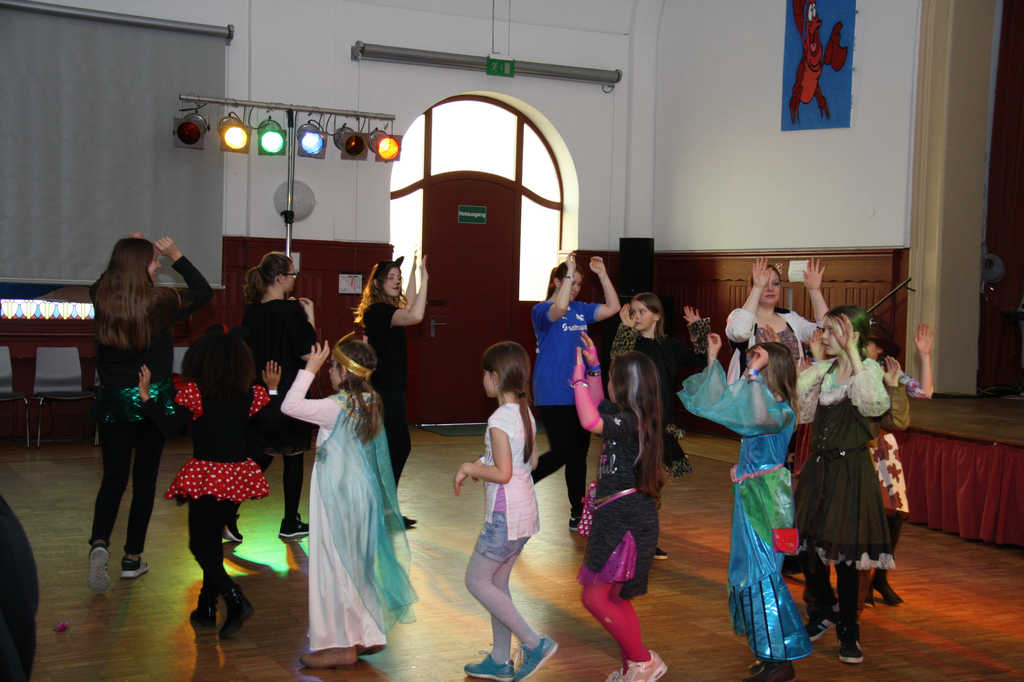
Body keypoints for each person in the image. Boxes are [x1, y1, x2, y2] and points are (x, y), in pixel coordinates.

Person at [679, 338, 812, 682]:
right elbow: (717, 403)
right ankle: (768, 652)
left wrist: (753, 374)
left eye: (757, 363)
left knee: (762, 574)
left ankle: (780, 659)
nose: (750, 368)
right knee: (748, 572)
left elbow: (758, 416)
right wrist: (713, 358)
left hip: (767, 499)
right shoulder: (762, 401)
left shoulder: (781, 411)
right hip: (752, 493)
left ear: (771, 371)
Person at [281, 338, 416, 669]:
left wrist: (308, 370)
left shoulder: (334, 406)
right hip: (362, 495)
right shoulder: (371, 400)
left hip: (337, 497)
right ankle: (366, 633)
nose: (328, 371)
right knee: (359, 565)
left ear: (344, 372)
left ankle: (339, 644)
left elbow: (290, 406)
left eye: (332, 367)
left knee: (334, 566)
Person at [88, 234, 212, 592]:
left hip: (113, 401)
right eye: (154, 261)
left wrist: (126, 250)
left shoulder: (103, 298)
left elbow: (103, 281)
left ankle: (100, 542)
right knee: (144, 481)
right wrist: (177, 254)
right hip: (151, 401)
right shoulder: (161, 302)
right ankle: (132, 558)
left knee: (113, 479)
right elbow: (203, 291)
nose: (158, 265)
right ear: (141, 266)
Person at [148, 326, 277, 638]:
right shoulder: (250, 395)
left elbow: (169, 425)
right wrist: (272, 390)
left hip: (208, 477)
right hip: (237, 477)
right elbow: (270, 423)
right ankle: (206, 607)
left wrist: (146, 398)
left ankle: (234, 600)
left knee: (199, 544)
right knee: (211, 543)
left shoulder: (197, 393)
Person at [794, 306, 892, 665]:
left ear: (854, 335)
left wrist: (854, 354)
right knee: (805, 547)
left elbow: (874, 405)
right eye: (824, 330)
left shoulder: (869, 372)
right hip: (819, 469)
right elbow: (803, 413)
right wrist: (808, 371)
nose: (825, 337)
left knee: (847, 556)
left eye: (833, 331)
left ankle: (849, 629)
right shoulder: (824, 371)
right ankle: (822, 610)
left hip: (851, 471)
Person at [455, 342, 558, 682]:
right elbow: (531, 461)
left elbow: (503, 472)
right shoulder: (524, 412)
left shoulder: (499, 419)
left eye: (484, 373)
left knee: (476, 581)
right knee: (497, 585)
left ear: (495, 377)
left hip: (505, 516)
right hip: (524, 513)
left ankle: (534, 642)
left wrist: (470, 467)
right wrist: (485, 461)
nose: (481, 380)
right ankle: (500, 660)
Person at [573, 335, 668, 682]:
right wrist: (594, 368)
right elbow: (599, 405)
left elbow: (589, 420)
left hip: (626, 520)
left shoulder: (634, 423)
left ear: (628, 386)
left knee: (596, 597)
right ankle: (635, 665)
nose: (609, 383)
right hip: (618, 516)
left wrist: (578, 380)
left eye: (613, 378)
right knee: (612, 596)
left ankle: (643, 660)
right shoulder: (626, 416)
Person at [612, 295, 708, 559]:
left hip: (661, 424)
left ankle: (645, 539)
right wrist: (625, 330)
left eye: (642, 311)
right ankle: (626, 537)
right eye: (633, 312)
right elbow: (617, 360)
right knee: (632, 482)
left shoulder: (669, 345)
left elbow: (700, 360)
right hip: (634, 423)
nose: (637, 316)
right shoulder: (632, 343)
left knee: (653, 485)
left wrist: (698, 329)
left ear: (656, 315)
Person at [531, 255, 620, 533]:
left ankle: (578, 512)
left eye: (580, 284)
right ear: (557, 282)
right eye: (571, 282)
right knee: (562, 451)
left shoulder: (581, 310)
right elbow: (558, 309)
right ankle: (521, 483)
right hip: (552, 391)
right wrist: (569, 272)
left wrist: (602, 274)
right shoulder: (541, 310)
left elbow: (613, 307)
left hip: (581, 393)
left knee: (578, 454)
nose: (576, 288)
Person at [240, 251, 318, 540]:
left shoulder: (252, 311)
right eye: (292, 274)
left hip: (261, 390)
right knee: (293, 455)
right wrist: (310, 318)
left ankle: (227, 513)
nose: (295, 279)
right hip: (289, 389)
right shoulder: (291, 310)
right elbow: (308, 351)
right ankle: (289, 522)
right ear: (280, 278)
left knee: (261, 455)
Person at [860, 321, 935, 606]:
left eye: (869, 342)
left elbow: (925, 391)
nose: (863, 347)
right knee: (868, 516)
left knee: (895, 515)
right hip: (861, 446)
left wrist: (925, 355)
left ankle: (880, 577)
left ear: (880, 349)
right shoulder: (853, 370)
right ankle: (863, 581)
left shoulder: (890, 371)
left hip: (885, 450)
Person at [356, 254, 428, 529]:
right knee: (397, 447)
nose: (397, 282)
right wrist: (426, 279)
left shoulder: (389, 310)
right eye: (392, 278)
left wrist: (415, 273)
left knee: (392, 448)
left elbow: (410, 304)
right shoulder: (378, 312)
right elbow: (416, 315)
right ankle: (382, 507)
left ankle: (384, 507)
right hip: (383, 390)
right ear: (377, 283)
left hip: (392, 389)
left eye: (399, 278)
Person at [725, 258, 828, 381]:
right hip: (751, 389)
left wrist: (815, 291)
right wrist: (757, 288)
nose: (770, 289)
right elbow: (740, 332)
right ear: (751, 288)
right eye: (764, 284)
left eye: (775, 283)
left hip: (790, 389)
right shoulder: (738, 316)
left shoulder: (790, 317)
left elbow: (824, 332)